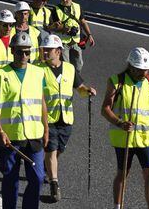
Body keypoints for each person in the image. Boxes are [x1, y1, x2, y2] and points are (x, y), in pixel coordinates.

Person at [0, 32, 49, 209]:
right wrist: (0, 131)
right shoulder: (0, 74)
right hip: (10, 137)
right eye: (19, 52)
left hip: (34, 135)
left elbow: (42, 102)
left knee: (38, 178)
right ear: (12, 50)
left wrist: (46, 128)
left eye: (27, 52)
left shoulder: (39, 73)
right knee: (10, 179)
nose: (24, 56)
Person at [101, 47, 149, 209]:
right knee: (123, 175)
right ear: (130, 66)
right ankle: (117, 206)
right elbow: (105, 109)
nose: (144, 72)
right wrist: (120, 123)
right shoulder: (117, 81)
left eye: (146, 69)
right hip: (124, 139)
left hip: (146, 139)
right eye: (140, 69)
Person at [40, 34, 96, 202]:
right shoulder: (38, 70)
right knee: (51, 150)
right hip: (48, 118)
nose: (45, 53)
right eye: (44, 50)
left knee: (59, 151)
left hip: (66, 118)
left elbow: (79, 87)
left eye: (48, 50)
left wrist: (87, 91)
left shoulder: (70, 69)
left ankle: (47, 169)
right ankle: (54, 184)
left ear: (58, 51)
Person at [50, 0, 95, 73]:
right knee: (66, 66)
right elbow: (54, 27)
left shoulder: (77, 7)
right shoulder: (56, 9)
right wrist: (63, 29)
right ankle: (67, 83)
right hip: (63, 43)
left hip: (76, 42)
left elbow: (83, 21)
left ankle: (75, 81)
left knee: (79, 65)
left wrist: (89, 35)